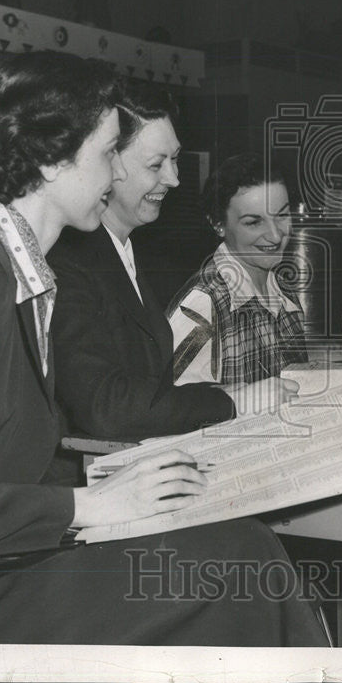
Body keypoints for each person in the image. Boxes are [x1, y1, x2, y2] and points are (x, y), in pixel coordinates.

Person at [0, 52, 328, 646]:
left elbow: (4, 458)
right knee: (238, 565)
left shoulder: (17, 271)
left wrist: (119, 484)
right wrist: (90, 504)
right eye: (109, 153)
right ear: (54, 159)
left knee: (239, 547)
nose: (116, 175)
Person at [47, 84, 236, 440]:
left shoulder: (134, 253)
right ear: (108, 163)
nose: (174, 179)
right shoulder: (68, 264)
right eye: (156, 164)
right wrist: (228, 402)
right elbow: (106, 406)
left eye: (175, 159)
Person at [167, 153, 305, 412]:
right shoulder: (200, 306)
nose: (275, 235)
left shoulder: (285, 293)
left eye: (282, 216)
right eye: (254, 222)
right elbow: (173, 411)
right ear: (218, 225)